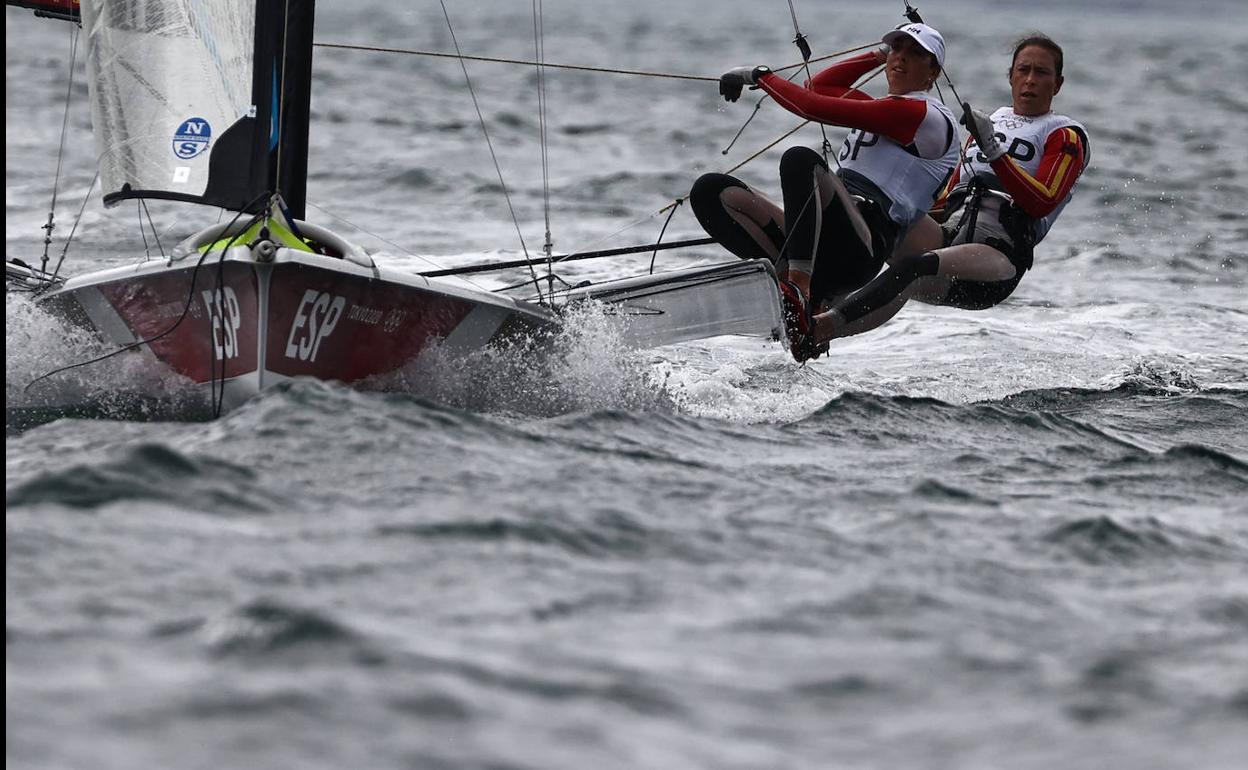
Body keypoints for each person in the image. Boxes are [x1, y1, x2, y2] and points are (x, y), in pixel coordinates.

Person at [789, 34, 1090, 360]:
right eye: (1023, 70)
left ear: (1057, 84)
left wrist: (993, 149)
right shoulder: (994, 121)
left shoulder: (1064, 133)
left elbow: (1041, 200)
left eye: (1041, 73)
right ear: (1011, 76)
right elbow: (944, 198)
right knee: (882, 226)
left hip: (998, 257)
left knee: (912, 268)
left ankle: (819, 330)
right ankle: (814, 294)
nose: (1030, 79)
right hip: (950, 236)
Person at [689, 23, 960, 360]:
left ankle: (799, 291)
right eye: (896, 51)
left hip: (862, 245)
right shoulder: (886, 109)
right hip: (822, 235)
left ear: (933, 71)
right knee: (710, 191)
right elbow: (818, 87)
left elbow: (811, 106)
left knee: (801, 160)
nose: (900, 60)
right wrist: (877, 55)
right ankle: (792, 292)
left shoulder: (924, 116)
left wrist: (759, 76)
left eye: (914, 54)